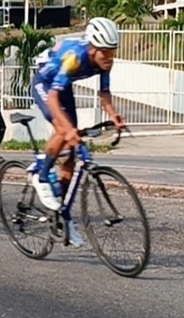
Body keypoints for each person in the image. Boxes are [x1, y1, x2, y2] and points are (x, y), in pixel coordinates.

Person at [30, 17, 125, 247]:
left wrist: (113, 115)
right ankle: (41, 175)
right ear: (92, 49)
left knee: (71, 159)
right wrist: (67, 129)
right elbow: (52, 98)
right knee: (64, 130)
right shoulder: (75, 57)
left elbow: (104, 94)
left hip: (64, 87)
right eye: (105, 53)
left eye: (113, 53)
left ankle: (61, 216)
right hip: (44, 83)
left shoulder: (104, 61)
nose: (110, 58)